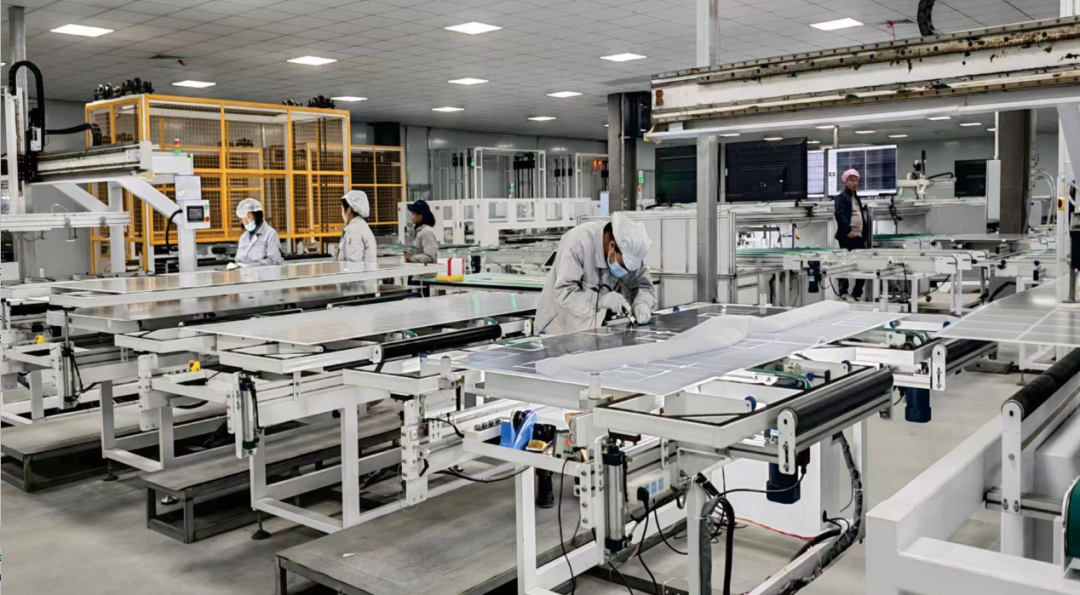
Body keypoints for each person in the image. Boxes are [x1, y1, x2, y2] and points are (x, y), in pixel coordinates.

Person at [535, 211, 657, 336]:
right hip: (559, 331)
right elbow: (564, 293)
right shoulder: (578, 243)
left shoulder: (630, 251)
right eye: (622, 266)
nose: (624, 273)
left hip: (592, 332)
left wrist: (642, 303)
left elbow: (642, 284)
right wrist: (598, 301)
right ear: (612, 246)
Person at [834, 168, 867, 301]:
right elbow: (839, 214)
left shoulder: (855, 197)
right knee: (845, 265)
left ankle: (856, 293)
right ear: (845, 181)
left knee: (863, 265)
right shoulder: (842, 197)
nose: (855, 183)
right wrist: (848, 231)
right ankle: (844, 292)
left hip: (858, 237)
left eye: (856, 180)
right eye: (852, 180)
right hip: (848, 237)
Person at [233, 198, 283, 267]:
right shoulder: (243, 238)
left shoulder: (270, 234)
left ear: (257, 217)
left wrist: (249, 266)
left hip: (265, 274)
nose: (245, 222)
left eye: (248, 217)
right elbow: (238, 260)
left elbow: (274, 261)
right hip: (245, 274)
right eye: (243, 219)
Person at [338, 190, 377, 265]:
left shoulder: (355, 230)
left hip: (360, 272)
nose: (342, 215)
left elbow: (354, 263)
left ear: (348, 210)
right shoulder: (360, 226)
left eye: (342, 210)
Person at [404, 200, 439, 264]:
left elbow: (430, 257)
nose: (411, 216)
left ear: (420, 217)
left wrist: (411, 258)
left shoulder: (426, 232)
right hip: (418, 270)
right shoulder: (418, 231)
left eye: (413, 214)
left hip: (426, 270)